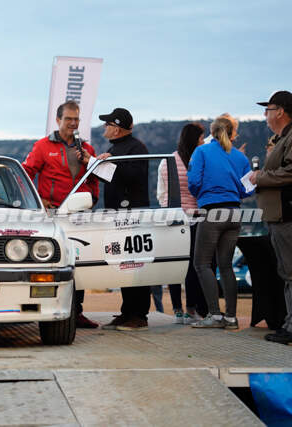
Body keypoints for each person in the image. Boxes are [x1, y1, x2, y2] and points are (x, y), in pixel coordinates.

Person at [22, 100, 100, 328]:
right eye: (68, 119)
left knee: (80, 262)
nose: (73, 123)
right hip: (53, 215)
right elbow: (26, 173)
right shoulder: (43, 146)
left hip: (80, 214)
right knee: (55, 262)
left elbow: (93, 178)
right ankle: (51, 310)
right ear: (58, 120)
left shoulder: (87, 149)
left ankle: (77, 312)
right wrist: (38, 199)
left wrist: (92, 198)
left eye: (76, 119)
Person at [82, 107, 152, 331]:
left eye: (108, 124)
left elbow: (133, 176)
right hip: (116, 215)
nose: (104, 127)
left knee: (136, 264)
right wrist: (92, 163)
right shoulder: (116, 149)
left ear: (117, 128)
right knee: (123, 265)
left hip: (132, 215)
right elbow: (111, 177)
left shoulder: (136, 148)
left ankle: (139, 315)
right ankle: (127, 312)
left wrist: (108, 162)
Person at [188, 117, 253, 329]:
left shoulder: (202, 151)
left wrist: (202, 194)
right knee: (226, 266)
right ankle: (231, 318)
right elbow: (247, 189)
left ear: (212, 131)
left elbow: (193, 181)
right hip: (234, 212)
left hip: (212, 211)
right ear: (233, 132)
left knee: (201, 264)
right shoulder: (240, 157)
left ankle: (215, 316)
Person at [250, 90, 292, 345]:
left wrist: (260, 177)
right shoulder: (281, 138)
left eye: (268, 109)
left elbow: (290, 172)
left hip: (286, 215)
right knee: (287, 272)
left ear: (280, 111)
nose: (265, 115)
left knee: (290, 272)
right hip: (278, 215)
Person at [157, 123, 209, 324]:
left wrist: (167, 210)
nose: (203, 142)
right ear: (194, 140)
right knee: (192, 267)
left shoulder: (167, 160)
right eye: (201, 138)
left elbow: (161, 193)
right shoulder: (200, 160)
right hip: (195, 218)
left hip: (173, 218)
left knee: (174, 265)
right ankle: (191, 309)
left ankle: (177, 310)